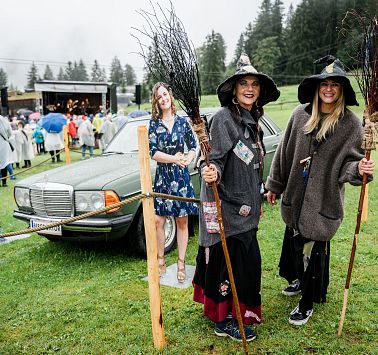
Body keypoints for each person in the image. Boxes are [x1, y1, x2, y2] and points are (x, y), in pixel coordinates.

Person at [265, 56, 375, 326]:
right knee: (295, 243)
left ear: (341, 91)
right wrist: (274, 185)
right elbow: (284, 153)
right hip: (295, 195)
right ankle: (298, 281)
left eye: (334, 85)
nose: (328, 89)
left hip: (323, 200)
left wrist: (360, 169)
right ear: (316, 87)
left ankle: (307, 303)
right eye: (324, 84)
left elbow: (349, 165)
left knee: (314, 249)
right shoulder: (299, 115)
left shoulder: (351, 125)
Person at [192, 54, 280, 341]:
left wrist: (262, 189)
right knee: (230, 264)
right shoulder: (223, 119)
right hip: (227, 209)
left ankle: (234, 314)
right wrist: (212, 172)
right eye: (244, 83)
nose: (250, 88)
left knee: (247, 265)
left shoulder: (253, 120)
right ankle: (225, 321)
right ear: (234, 89)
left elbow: (251, 163)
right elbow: (215, 159)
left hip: (247, 208)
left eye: (254, 84)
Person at [148, 82, 198, 283]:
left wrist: (189, 158)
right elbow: (153, 153)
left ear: (170, 96)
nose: (163, 98)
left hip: (181, 178)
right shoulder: (154, 124)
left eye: (165, 94)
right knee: (159, 220)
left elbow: (193, 145)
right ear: (156, 102)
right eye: (159, 97)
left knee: (182, 221)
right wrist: (174, 158)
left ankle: (180, 263)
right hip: (163, 177)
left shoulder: (182, 122)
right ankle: (161, 259)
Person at [0, 115, 13, 187]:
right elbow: (10, 133)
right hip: (4, 144)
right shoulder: (4, 120)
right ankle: (4, 182)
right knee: (4, 163)